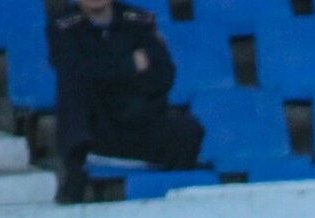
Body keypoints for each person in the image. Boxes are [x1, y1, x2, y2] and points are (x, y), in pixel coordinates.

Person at [47, 0, 205, 203]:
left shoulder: (139, 21)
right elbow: (73, 70)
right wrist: (129, 65)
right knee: (72, 84)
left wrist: (104, 74)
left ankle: (170, 198)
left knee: (188, 130)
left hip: (138, 117)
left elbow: (163, 76)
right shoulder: (63, 27)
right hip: (97, 127)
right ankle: (75, 175)